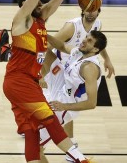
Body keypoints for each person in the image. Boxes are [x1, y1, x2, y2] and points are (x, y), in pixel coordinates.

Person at [2, 0, 97, 163]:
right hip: (19, 80)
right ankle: (80, 159)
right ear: (25, 6)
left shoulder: (40, 19)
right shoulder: (21, 21)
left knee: (31, 130)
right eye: (34, 4)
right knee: (49, 119)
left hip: (29, 80)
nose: (39, 5)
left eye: (39, 4)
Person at [46, 0, 115, 158]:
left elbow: (99, 45)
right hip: (68, 63)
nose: (91, 12)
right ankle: (72, 148)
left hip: (74, 74)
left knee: (59, 111)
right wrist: (41, 33)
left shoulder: (90, 64)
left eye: (95, 10)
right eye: (89, 9)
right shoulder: (72, 27)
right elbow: (58, 46)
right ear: (82, 9)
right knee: (39, 93)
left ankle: (73, 151)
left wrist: (107, 59)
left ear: (99, 11)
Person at [38, 30, 107, 163]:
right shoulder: (80, 52)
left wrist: (64, 106)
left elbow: (92, 103)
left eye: (90, 41)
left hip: (66, 105)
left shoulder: (89, 68)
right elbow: (62, 46)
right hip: (62, 86)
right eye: (87, 37)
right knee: (43, 49)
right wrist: (44, 34)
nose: (84, 40)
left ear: (96, 49)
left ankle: (76, 156)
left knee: (35, 148)